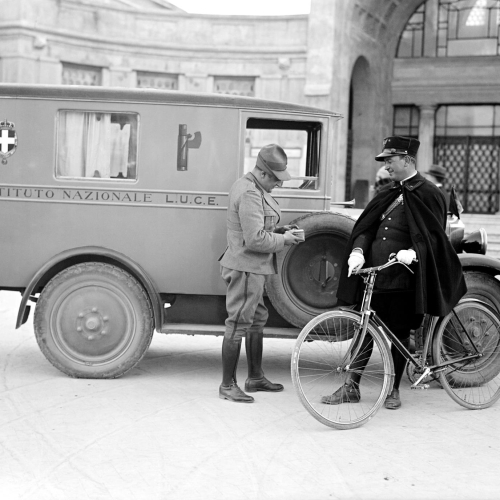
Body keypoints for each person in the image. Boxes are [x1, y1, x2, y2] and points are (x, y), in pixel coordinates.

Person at [322, 136, 467, 409]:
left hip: (404, 278)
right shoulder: (387, 192)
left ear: (407, 160)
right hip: (374, 275)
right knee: (364, 330)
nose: (386, 165)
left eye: (390, 160)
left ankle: (393, 390)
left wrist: (413, 251)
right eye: (385, 160)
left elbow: (435, 238)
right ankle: (351, 387)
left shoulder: (430, 193)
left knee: (399, 334)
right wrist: (358, 251)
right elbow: (367, 228)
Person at [218, 144, 303, 403]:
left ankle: (255, 377)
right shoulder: (249, 193)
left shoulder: (253, 187)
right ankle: (227, 385)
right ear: (263, 173)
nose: (279, 183)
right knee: (238, 323)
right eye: (276, 179)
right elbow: (254, 239)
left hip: (253, 268)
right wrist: (284, 240)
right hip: (246, 268)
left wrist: (279, 231)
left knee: (256, 319)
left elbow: (258, 226)